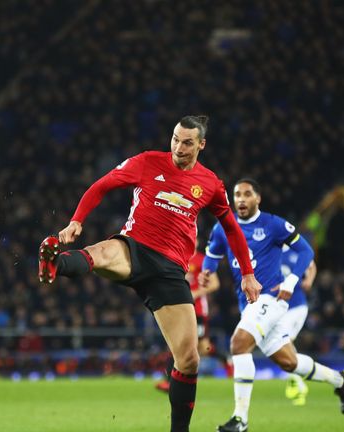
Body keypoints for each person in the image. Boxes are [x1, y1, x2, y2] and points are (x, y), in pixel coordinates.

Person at [38, 115, 262, 432]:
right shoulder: (147, 162)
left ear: (201, 145)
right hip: (135, 248)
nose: (178, 147)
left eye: (187, 142)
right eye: (175, 139)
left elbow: (232, 229)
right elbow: (103, 184)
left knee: (188, 360)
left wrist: (248, 274)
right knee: (102, 252)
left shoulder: (210, 183)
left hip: (170, 272)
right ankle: (54, 264)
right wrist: (77, 220)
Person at [200, 178, 344, 432]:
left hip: (271, 299)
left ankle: (240, 419)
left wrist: (291, 282)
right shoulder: (223, 228)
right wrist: (207, 270)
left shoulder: (273, 224)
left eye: (247, 194)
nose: (240, 199)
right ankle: (340, 380)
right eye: (237, 194)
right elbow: (212, 256)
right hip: (247, 303)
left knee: (238, 344)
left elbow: (306, 252)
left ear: (257, 198)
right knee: (288, 362)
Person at [155, 239, 228, 393]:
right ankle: (170, 381)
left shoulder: (202, 260)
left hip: (198, 310)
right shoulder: (176, 257)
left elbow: (215, 283)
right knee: (179, 343)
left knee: (201, 346)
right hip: (179, 308)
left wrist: (195, 293)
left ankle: (226, 360)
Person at [281, 248, 317, 405]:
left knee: (283, 342)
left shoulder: (294, 251)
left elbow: (312, 265)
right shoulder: (270, 250)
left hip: (297, 306)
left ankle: (298, 383)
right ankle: (297, 380)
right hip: (281, 309)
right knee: (283, 344)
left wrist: (309, 280)